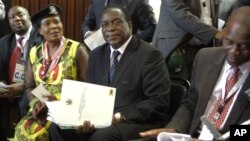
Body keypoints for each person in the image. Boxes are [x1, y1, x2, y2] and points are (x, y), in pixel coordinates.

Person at [49, 4, 171, 141]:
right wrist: (83, 117)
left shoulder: (149, 54)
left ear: (130, 25)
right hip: (100, 121)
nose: (110, 28)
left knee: (100, 137)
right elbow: (91, 94)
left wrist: (119, 117)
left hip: (134, 121)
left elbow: (158, 101)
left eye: (116, 22)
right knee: (57, 129)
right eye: (105, 25)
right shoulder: (96, 55)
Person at [138, 6, 250, 141]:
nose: (234, 51)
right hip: (192, 135)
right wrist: (175, 128)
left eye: (244, 46)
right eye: (229, 42)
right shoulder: (205, 58)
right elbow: (190, 104)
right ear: (223, 34)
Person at [14, 4, 89, 141]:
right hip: (42, 109)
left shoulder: (77, 50)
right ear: (40, 31)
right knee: (22, 131)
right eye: (47, 23)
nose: (54, 26)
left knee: (44, 133)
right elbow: (30, 85)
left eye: (57, 21)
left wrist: (57, 104)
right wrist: (37, 102)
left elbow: (88, 86)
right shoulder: (35, 53)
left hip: (67, 111)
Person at [153, 0, 223, 80]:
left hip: (208, 47)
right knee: (181, 88)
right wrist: (215, 33)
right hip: (178, 48)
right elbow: (180, 13)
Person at [0, 5, 41, 140]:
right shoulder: (4, 42)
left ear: (29, 17)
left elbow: (47, 72)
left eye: (20, 14)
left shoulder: (42, 37)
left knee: (27, 101)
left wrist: (23, 86)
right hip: (9, 89)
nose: (17, 19)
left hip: (37, 87)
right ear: (9, 22)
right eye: (12, 17)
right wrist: (3, 85)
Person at [82, 0, 157, 43]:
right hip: (101, 55)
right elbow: (87, 23)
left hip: (129, 55)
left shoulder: (137, 1)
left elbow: (152, 28)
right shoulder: (97, 1)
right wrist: (88, 34)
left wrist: (130, 41)